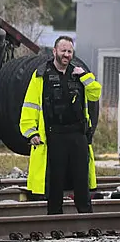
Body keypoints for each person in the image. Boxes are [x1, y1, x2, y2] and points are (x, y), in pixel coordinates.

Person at [19, 36, 101, 215]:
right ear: (54, 51)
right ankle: (55, 217)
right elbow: (30, 105)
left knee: (81, 178)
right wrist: (31, 132)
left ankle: (86, 215)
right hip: (53, 135)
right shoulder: (41, 75)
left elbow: (95, 94)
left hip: (78, 134)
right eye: (63, 50)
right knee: (55, 179)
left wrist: (85, 76)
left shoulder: (79, 74)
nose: (66, 54)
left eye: (70, 51)